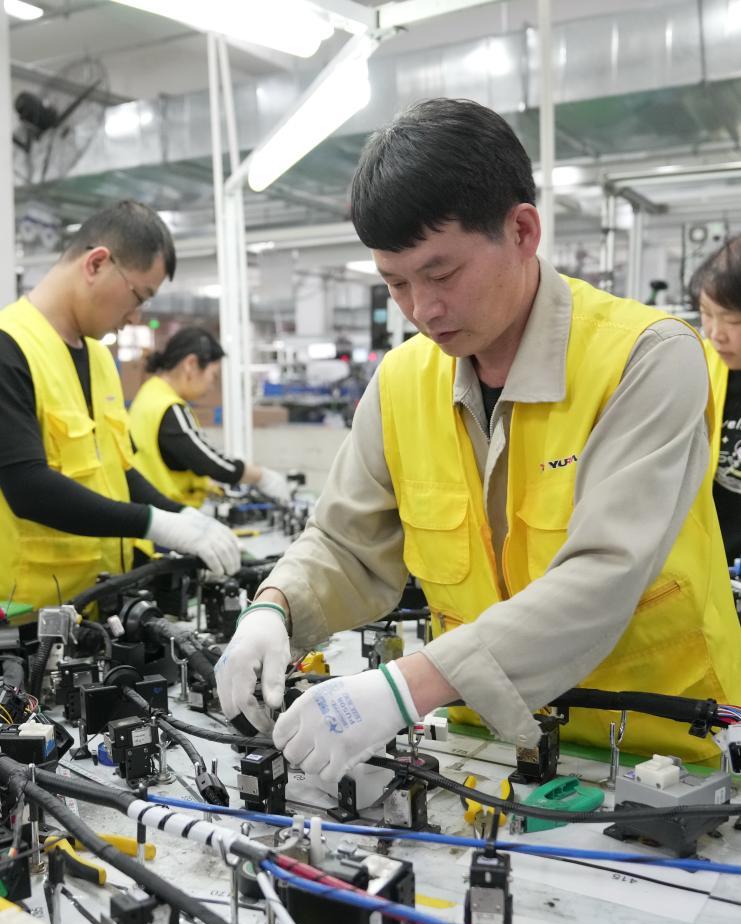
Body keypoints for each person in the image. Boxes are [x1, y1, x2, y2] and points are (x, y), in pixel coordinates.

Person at [216, 98, 740, 778]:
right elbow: (346, 543)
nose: (422, 309)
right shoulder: (402, 382)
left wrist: (404, 686)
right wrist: (275, 608)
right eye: (395, 283)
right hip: (485, 746)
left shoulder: (645, 358)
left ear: (521, 231)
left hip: (661, 750)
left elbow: (605, 574)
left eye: (441, 274)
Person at [0, 200, 241, 612]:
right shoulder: (10, 347)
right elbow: (28, 487)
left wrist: (183, 515)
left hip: (103, 605)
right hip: (33, 614)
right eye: (138, 296)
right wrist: (154, 523)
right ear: (96, 264)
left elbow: (119, 471)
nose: (135, 318)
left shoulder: (99, 359)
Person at [128, 327, 290, 507]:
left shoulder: (150, 394)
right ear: (191, 364)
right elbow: (210, 462)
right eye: (213, 375)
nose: (211, 385)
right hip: (168, 516)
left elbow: (178, 461)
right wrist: (262, 477)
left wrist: (209, 486)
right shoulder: (168, 407)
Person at [691, 237, 741, 563]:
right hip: (714, 560)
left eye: (734, 321)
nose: (715, 333)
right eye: (706, 314)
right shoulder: (699, 363)